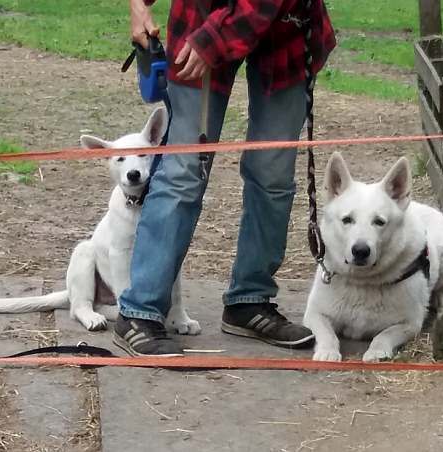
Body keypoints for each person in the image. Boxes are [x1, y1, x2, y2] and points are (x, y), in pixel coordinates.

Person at [114, 0, 336, 356]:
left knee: (272, 173)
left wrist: (214, 40)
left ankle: (249, 301)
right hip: (201, 15)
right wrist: (139, 5)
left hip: (284, 27)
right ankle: (140, 311)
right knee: (183, 171)